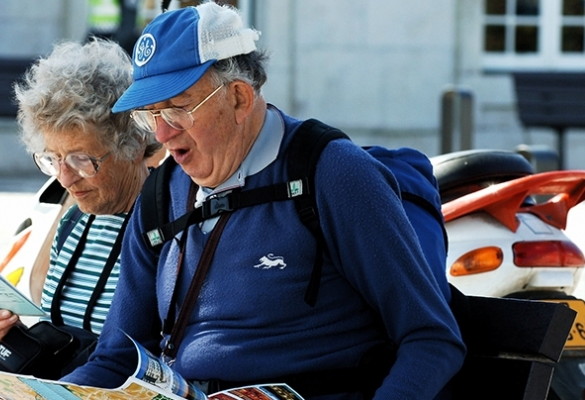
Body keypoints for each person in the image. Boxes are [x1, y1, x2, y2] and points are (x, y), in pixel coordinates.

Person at [63, 2, 466, 399]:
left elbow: (431, 339)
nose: (162, 134)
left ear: (238, 98)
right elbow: (117, 359)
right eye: (150, 114)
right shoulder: (161, 192)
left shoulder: (332, 173)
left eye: (177, 109)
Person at [0, 37, 161, 345]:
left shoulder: (169, 227)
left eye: (81, 159)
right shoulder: (72, 224)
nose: (64, 179)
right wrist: (7, 333)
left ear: (135, 144)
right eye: (53, 159)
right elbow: (64, 341)